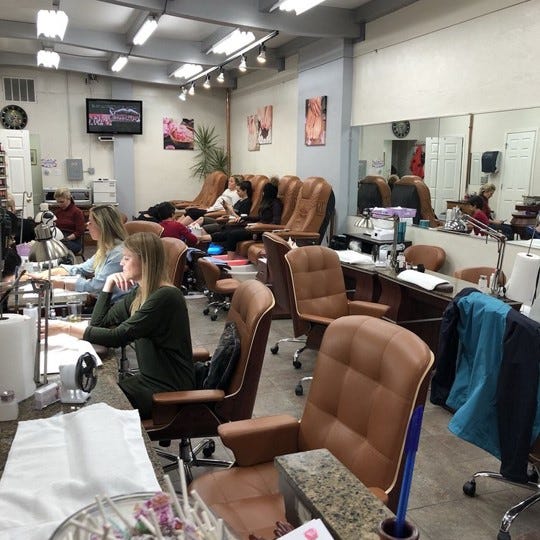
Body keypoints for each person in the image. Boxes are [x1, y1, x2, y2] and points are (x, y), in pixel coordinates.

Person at [45, 232, 195, 419]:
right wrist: (108, 284)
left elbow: (117, 337)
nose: (121, 263)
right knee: (90, 398)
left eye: (127, 258)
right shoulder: (141, 293)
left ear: (145, 261)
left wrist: (64, 328)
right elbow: (99, 323)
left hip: (167, 389)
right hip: (148, 382)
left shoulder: (166, 296)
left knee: (92, 407)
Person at [31, 205, 127, 301]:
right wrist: (47, 273)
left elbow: (96, 286)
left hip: (113, 305)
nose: (87, 225)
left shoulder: (118, 254)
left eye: (90, 222)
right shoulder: (105, 249)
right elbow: (82, 268)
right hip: (102, 301)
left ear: (102, 227)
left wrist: (61, 284)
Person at [199, 182, 282, 259]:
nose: (262, 194)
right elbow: (260, 217)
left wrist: (259, 226)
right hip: (254, 227)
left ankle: (230, 260)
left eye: (263, 192)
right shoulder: (266, 203)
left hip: (260, 231)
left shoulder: (276, 204)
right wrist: (246, 218)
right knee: (228, 229)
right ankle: (201, 239)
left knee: (233, 234)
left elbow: (275, 222)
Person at [53, 187, 86, 253]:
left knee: (56, 246)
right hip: (59, 239)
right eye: (57, 202)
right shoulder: (57, 212)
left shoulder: (77, 212)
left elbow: (79, 232)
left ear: (69, 199)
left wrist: (66, 239)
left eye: (62, 202)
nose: (59, 204)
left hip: (73, 241)